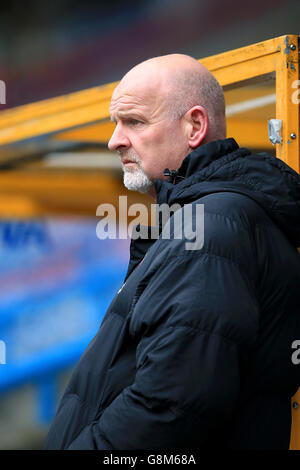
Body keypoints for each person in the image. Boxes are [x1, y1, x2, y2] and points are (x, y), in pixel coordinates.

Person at [45, 54, 300, 450]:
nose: (114, 140)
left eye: (134, 121)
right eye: (116, 123)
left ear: (195, 125)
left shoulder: (212, 225)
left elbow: (169, 406)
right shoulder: (205, 220)